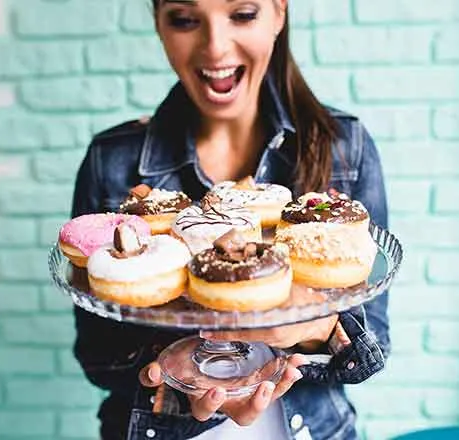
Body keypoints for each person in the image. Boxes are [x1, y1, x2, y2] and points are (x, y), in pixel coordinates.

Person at [70, 0, 390, 439]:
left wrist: (317, 328)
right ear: (159, 25)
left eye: (242, 14)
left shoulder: (343, 147)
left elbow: (374, 350)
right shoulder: (113, 161)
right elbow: (97, 355)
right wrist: (183, 383)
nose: (216, 48)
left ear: (279, 13)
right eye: (185, 20)